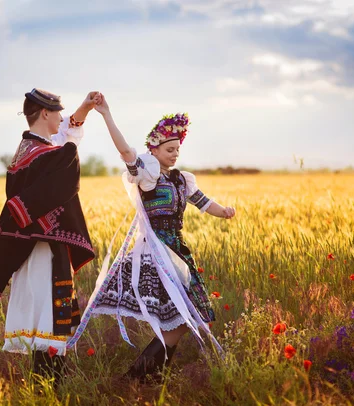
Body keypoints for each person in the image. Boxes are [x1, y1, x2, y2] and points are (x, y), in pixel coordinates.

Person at [67, 94, 236, 382]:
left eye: (176, 150)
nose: (173, 154)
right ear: (154, 150)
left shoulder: (183, 180)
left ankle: (144, 374)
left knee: (190, 315)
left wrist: (226, 212)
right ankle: (144, 375)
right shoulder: (148, 176)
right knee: (183, 314)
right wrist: (106, 114)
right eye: (169, 149)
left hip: (178, 250)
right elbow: (124, 151)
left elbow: (205, 203)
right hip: (155, 252)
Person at [0, 88, 99, 382]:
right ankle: (52, 387)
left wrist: (86, 108)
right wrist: (70, 150)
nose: (61, 118)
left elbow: (66, 134)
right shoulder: (50, 155)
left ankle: (45, 385)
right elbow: (66, 160)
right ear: (45, 113)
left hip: (28, 247)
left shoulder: (26, 150)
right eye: (57, 113)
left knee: (43, 317)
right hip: (46, 249)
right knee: (50, 317)